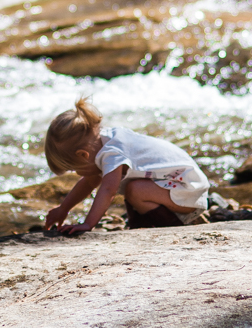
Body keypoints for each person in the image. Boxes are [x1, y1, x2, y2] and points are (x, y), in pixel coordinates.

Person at [42, 98, 210, 234]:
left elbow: (108, 191)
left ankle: (176, 231)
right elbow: (89, 182)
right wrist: (63, 209)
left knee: (134, 189)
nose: (78, 174)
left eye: (75, 169)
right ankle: (137, 229)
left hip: (188, 189)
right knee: (132, 187)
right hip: (182, 187)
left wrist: (87, 224)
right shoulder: (106, 140)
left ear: (83, 155)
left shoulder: (112, 153)